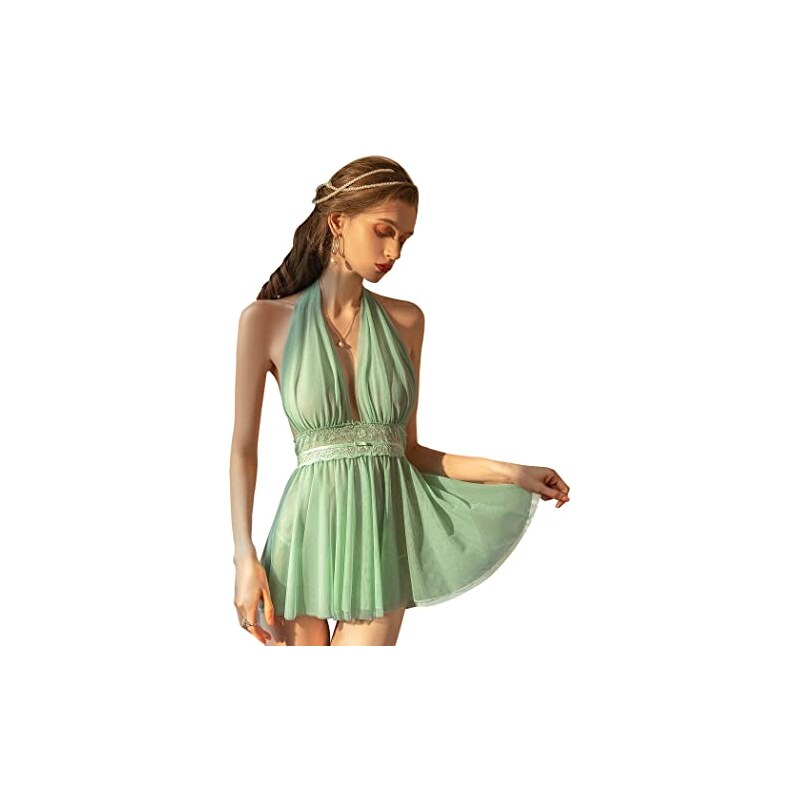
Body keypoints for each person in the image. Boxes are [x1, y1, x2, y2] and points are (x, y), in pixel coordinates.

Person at [230, 155, 571, 646]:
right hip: (301, 540)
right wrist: (244, 556)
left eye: (404, 239)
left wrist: (512, 472)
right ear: (338, 222)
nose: (394, 251)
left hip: (381, 544)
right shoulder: (263, 320)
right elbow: (243, 448)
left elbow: (409, 451)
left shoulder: (407, 321)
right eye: (384, 231)